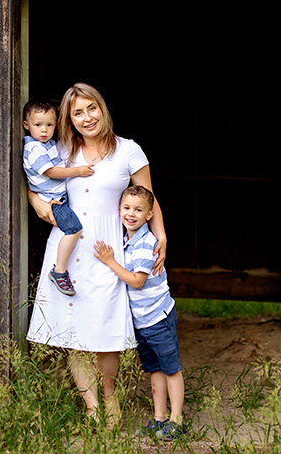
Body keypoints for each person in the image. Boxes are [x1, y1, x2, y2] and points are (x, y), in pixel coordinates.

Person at [26, 83, 167, 426]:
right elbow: (33, 183)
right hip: (68, 248)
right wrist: (37, 203)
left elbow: (148, 197)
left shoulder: (128, 150)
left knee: (104, 331)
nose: (86, 117)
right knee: (75, 331)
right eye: (77, 112)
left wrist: (161, 234)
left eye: (91, 108)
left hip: (109, 249)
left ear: (102, 109)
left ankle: (109, 398)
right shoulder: (59, 150)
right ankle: (91, 407)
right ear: (68, 119)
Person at [94, 185, 185, 441]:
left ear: (149, 215)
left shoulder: (146, 243)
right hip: (143, 321)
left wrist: (110, 262)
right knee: (154, 369)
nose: (130, 214)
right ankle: (159, 418)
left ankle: (177, 420)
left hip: (158, 317)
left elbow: (137, 281)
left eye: (138, 210)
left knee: (170, 369)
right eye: (126, 208)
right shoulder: (126, 239)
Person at [22, 100, 95, 296]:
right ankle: (59, 271)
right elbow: (52, 172)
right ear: (26, 125)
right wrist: (78, 171)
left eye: (49, 125)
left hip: (57, 195)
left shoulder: (48, 144)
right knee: (73, 229)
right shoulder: (34, 148)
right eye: (38, 125)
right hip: (53, 200)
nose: (44, 130)